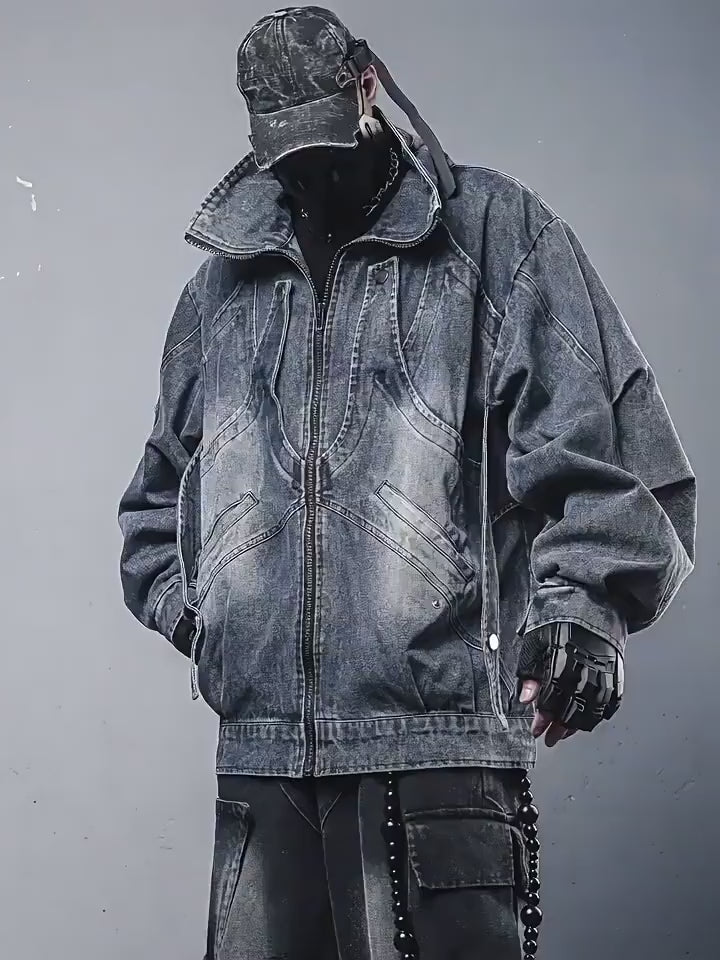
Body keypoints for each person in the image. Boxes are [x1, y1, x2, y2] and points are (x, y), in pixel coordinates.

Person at [117, 6, 696, 959]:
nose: (313, 180)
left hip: (437, 761)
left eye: (328, 149)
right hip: (262, 767)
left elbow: (607, 446)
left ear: (368, 88)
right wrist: (214, 620)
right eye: (288, 160)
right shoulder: (219, 291)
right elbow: (154, 507)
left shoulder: (494, 234)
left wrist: (586, 606)